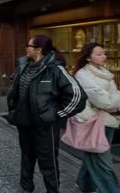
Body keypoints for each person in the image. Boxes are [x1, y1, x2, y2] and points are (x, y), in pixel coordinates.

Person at [7, 34, 87, 193]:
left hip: (45, 126)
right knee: (27, 158)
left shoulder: (55, 70)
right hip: (24, 122)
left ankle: (52, 190)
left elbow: (78, 96)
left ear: (38, 50)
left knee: (48, 161)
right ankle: (26, 187)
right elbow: (16, 89)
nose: (26, 49)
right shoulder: (24, 65)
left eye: (28, 46)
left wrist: (56, 114)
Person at [73, 43, 120, 193]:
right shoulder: (83, 74)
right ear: (88, 57)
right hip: (94, 121)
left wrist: (114, 104)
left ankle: (84, 183)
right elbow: (102, 100)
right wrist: (113, 104)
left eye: (104, 53)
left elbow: (113, 95)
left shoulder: (104, 72)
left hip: (108, 120)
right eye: (99, 54)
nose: (104, 57)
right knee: (103, 162)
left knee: (94, 155)